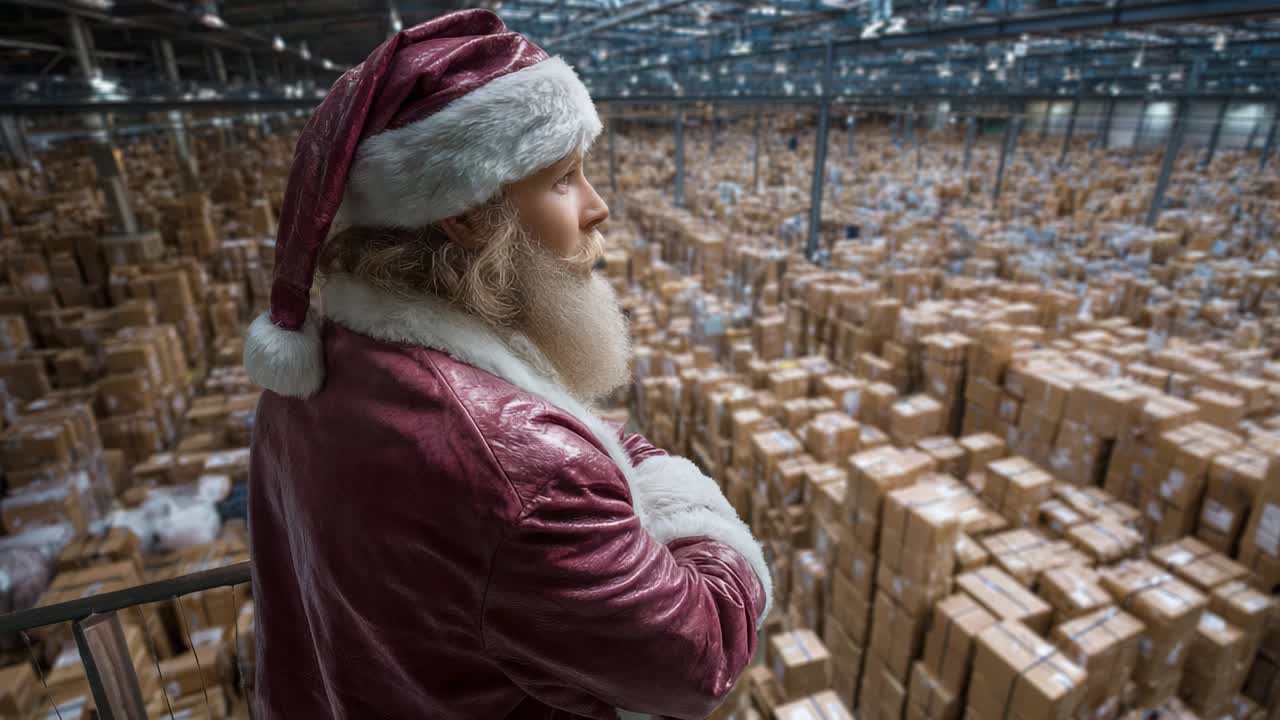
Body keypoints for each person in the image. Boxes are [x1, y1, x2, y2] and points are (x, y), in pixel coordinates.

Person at [243, 9, 772, 720]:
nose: (598, 208)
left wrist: (596, 446)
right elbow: (700, 656)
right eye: (565, 180)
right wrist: (685, 500)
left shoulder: (319, 371)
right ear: (466, 215)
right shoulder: (528, 471)